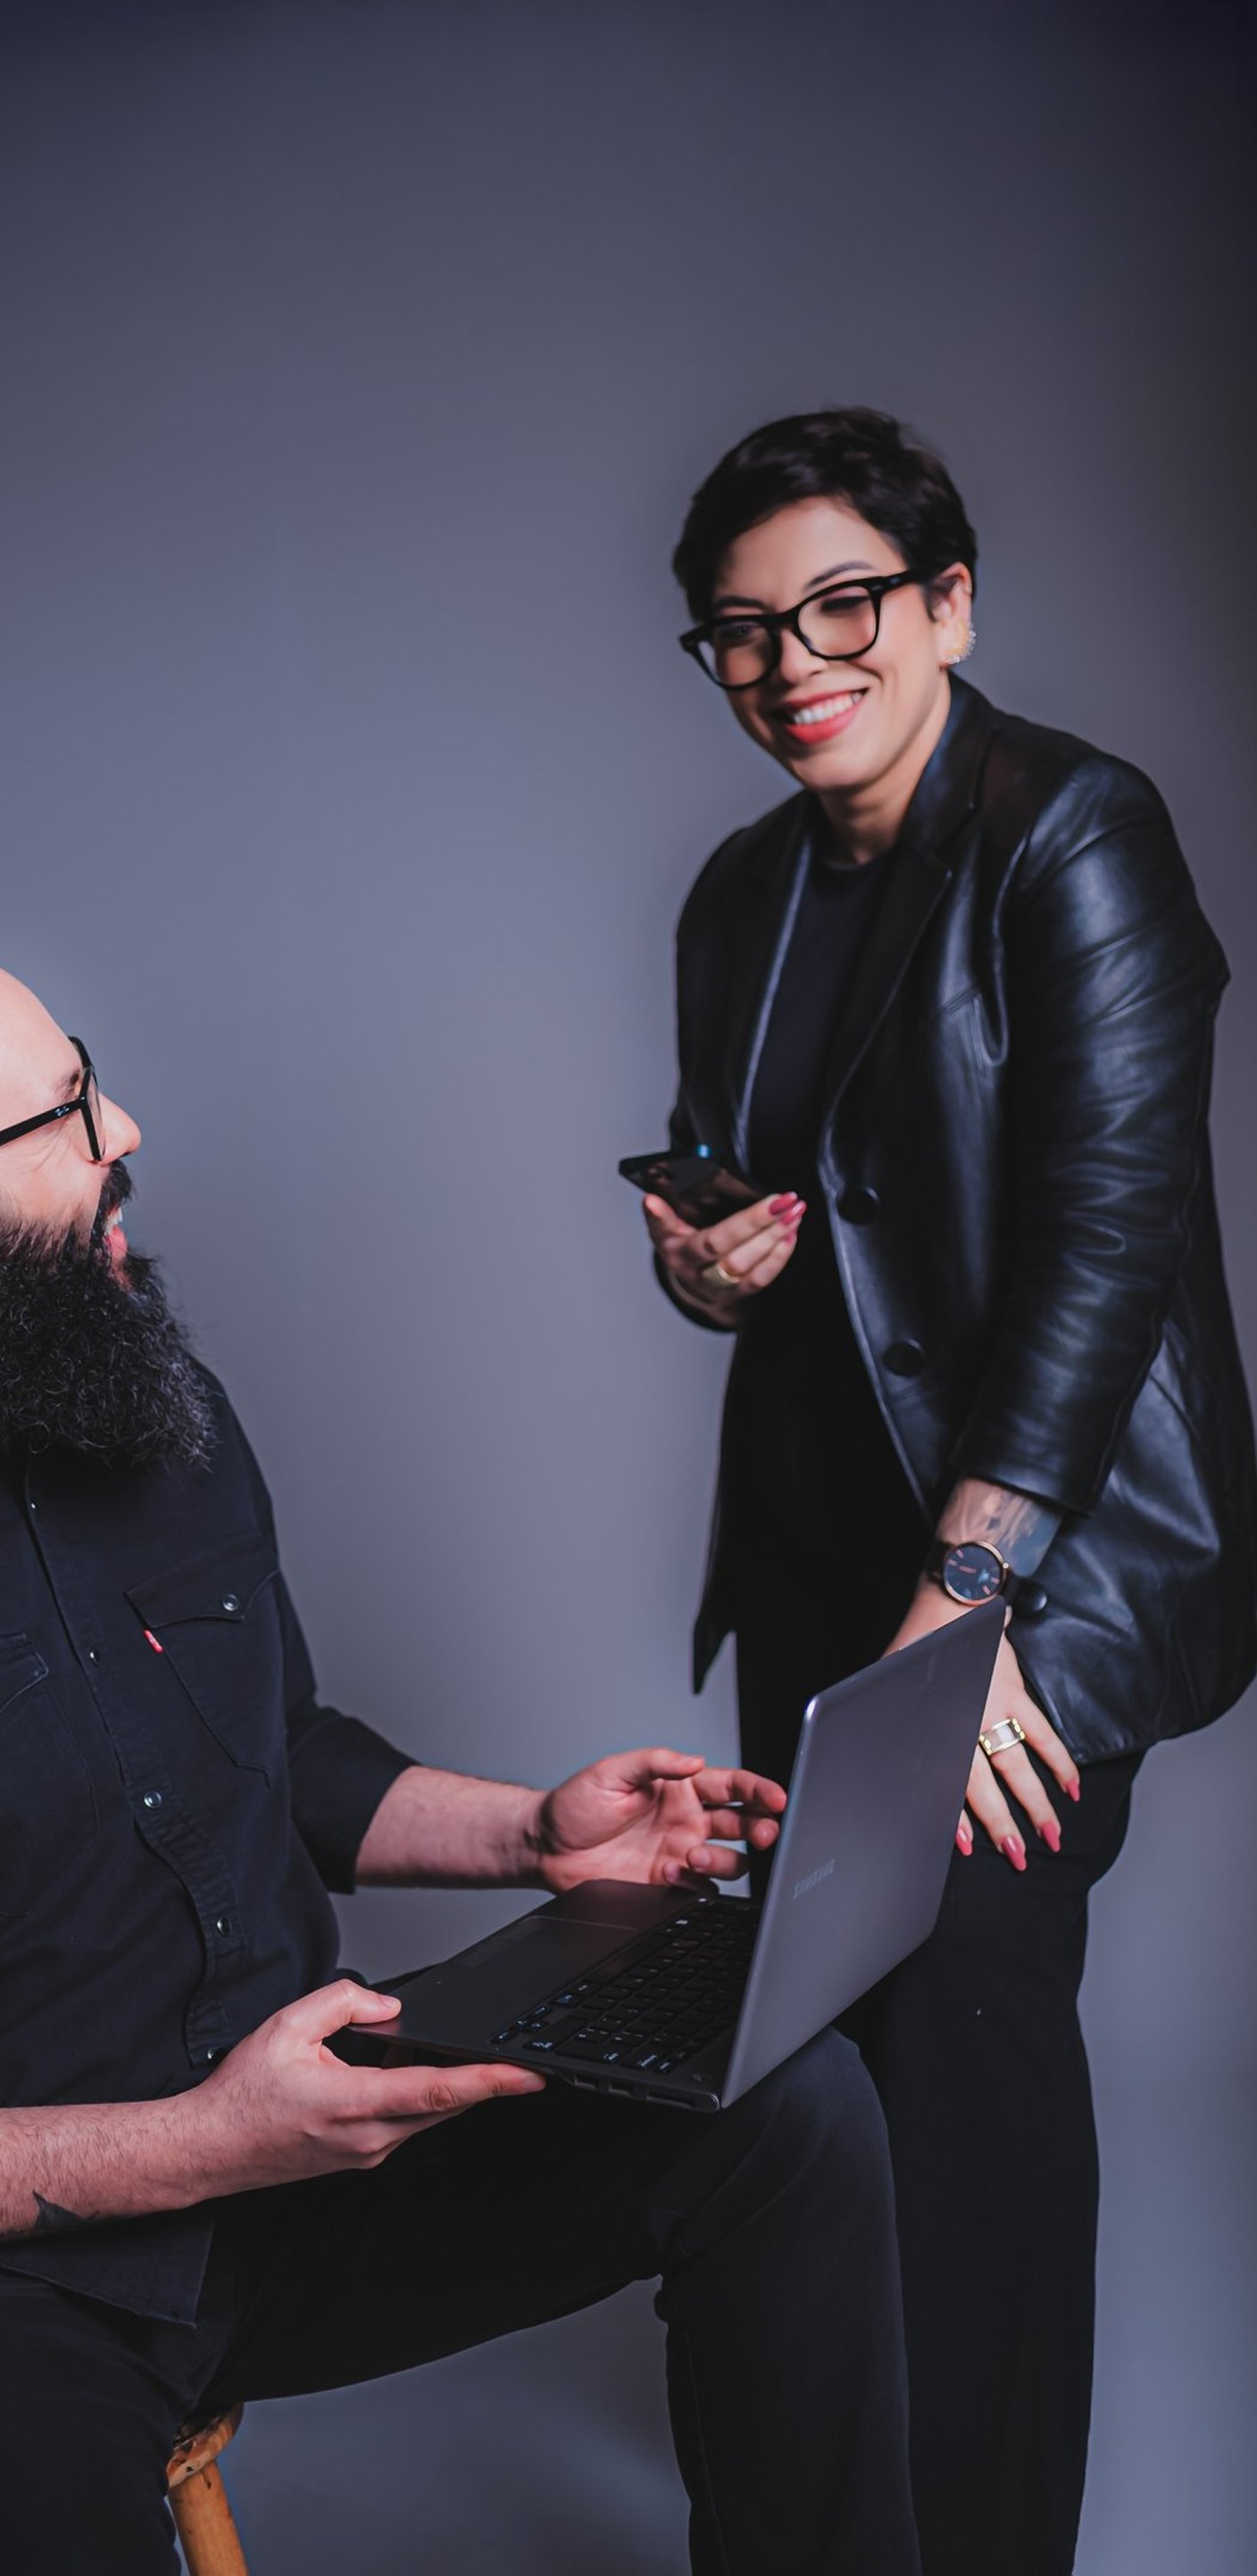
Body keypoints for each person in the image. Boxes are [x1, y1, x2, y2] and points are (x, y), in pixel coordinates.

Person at [0, 946, 920, 2576]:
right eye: (68, 1111)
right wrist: (210, 2137)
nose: (124, 1126)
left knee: (788, 2110)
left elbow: (271, 1749)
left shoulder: (136, 1392)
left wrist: (532, 1836)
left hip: (299, 2157)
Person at [643, 408, 1257, 2576]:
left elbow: (1106, 1251)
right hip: (821, 1553)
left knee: (965, 2057)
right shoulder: (740, 893)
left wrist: (969, 1607)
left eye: (843, 606)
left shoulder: (1072, 832)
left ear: (950, 603)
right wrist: (704, 1270)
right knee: (811, 2076)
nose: (792, 665)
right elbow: (780, 1209)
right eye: (742, 632)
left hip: (1035, 1563)